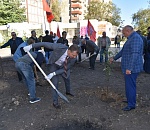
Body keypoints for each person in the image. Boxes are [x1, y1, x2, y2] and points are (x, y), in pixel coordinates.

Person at [23, 43, 79, 109]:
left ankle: (68, 91)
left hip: (63, 66)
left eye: (75, 55)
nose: (74, 57)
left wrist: (53, 74)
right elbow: (44, 44)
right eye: (73, 55)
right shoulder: (59, 47)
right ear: (69, 51)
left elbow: (65, 69)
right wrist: (31, 46)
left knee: (67, 78)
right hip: (54, 65)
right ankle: (55, 102)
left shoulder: (73, 58)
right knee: (55, 84)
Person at [109, 25, 143, 111]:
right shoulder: (131, 38)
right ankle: (130, 100)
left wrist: (130, 68)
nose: (124, 35)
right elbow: (123, 51)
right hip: (129, 67)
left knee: (130, 86)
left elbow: (135, 54)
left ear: (128, 31)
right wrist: (114, 58)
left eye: (124, 33)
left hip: (132, 68)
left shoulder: (135, 38)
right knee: (128, 85)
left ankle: (131, 104)